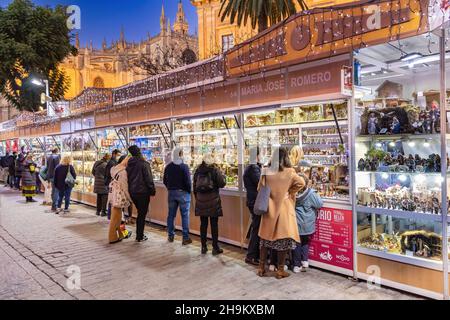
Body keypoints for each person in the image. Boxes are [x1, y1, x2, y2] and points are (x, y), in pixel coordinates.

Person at [257, 147, 306, 279]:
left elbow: (260, 188)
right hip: (283, 209)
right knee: (283, 240)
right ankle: (280, 270)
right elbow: (301, 183)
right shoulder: (290, 171)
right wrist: (290, 192)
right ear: (286, 158)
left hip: (268, 209)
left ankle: (261, 268)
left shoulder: (266, 171)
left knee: (265, 240)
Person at [193, 154, 226, 255]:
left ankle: (203, 247)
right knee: (214, 225)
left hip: (201, 201)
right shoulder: (215, 170)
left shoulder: (197, 171)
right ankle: (215, 248)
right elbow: (222, 184)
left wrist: (198, 198)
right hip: (213, 201)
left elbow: (194, 186)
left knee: (203, 224)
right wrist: (223, 175)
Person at [292, 179, 323, 273]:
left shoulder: (292, 192)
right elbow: (319, 204)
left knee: (296, 243)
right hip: (307, 224)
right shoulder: (311, 194)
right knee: (305, 241)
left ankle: (296, 265)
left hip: (296, 222)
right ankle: (304, 261)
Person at [163, 148, 192, 245]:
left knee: (171, 215)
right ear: (181, 155)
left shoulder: (168, 167)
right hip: (183, 193)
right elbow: (188, 182)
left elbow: (164, 181)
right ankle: (185, 238)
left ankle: (170, 236)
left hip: (171, 193)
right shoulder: (184, 167)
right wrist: (188, 191)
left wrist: (170, 188)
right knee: (185, 216)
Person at [127, 145, 156, 242]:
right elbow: (149, 179)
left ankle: (139, 234)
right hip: (142, 192)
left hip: (133, 192)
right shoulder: (144, 164)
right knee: (142, 214)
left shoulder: (129, 164)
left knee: (140, 213)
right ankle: (139, 236)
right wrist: (152, 190)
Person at [243, 147, 262, 266]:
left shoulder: (250, 166)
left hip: (252, 200)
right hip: (255, 201)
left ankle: (254, 254)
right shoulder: (254, 167)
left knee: (256, 226)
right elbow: (260, 183)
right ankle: (251, 255)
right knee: (257, 228)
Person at [108, 156, 133, 244]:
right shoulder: (123, 172)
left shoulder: (114, 169)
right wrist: (130, 198)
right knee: (115, 218)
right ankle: (112, 237)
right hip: (119, 197)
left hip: (114, 195)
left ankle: (120, 234)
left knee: (118, 217)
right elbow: (125, 187)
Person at [105, 149, 122, 219]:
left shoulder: (112, 162)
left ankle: (110, 215)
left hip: (109, 182)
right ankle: (110, 216)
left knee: (111, 199)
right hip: (110, 183)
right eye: (118, 155)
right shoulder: (112, 163)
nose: (118, 157)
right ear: (114, 154)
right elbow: (112, 174)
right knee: (112, 200)